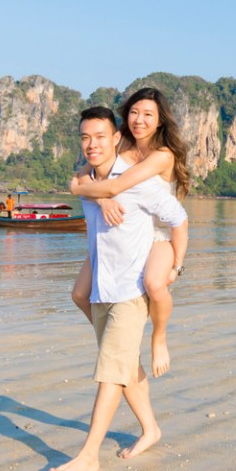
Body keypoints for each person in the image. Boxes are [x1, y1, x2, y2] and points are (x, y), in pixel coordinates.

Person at [52, 106, 188, 471]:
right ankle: (151, 429)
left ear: (116, 139)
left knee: (111, 370)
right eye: (85, 137)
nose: (92, 144)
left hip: (131, 291)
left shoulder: (137, 181)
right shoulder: (87, 183)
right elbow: (85, 184)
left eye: (100, 137)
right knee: (124, 365)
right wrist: (97, 196)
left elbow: (178, 218)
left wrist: (176, 264)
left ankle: (89, 455)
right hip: (101, 288)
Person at [66, 87, 191, 377]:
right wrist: (99, 198)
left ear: (160, 120)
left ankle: (158, 338)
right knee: (80, 294)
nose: (139, 120)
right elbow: (85, 176)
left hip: (158, 232)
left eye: (148, 114)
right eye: (134, 112)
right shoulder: (121, 146)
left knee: (155, 284)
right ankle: (115, 340)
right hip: (125, 232)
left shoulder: (163, 156)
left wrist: (177, 264)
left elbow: (110, 186)